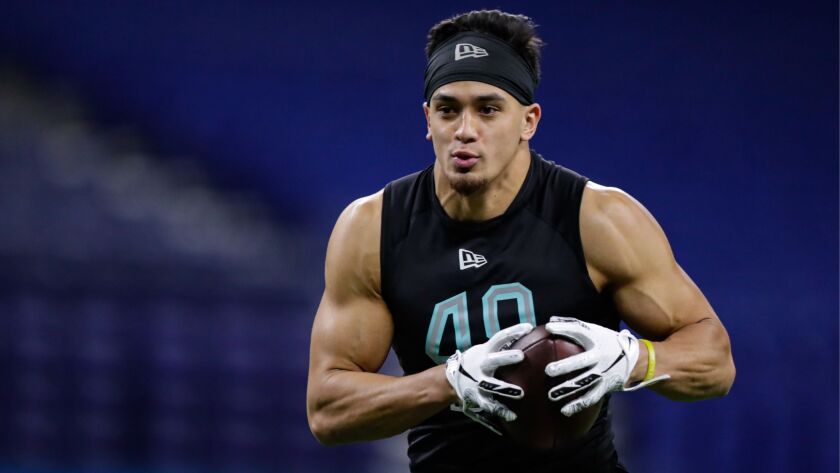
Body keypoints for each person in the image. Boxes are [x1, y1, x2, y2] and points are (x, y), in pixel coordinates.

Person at [306, 9, 735, 473]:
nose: (464, 130)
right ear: (428, 119)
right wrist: (448, 383)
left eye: (488, 109)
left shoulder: (597, 218)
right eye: (448, 109)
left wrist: (632, 359)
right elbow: (328, 411)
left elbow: (715, 362)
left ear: (529, 121)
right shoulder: (374, 228)